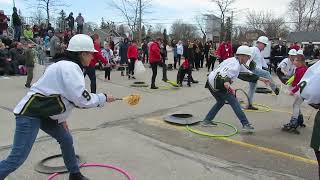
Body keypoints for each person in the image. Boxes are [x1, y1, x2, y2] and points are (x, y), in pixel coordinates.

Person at [0, 34, 116, 180]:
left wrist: (61, 119)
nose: (92, 57)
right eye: (91, 54)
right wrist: (102, 97)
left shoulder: (65, 65)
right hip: (30, 113)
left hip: (44, 113)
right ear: (82, 53)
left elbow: (60, 95)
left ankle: (75, 175)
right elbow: (81, 99)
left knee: (66, 139)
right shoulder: (70, 67)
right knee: (16, 159)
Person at [201, 46, 270, 132]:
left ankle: (207, 121)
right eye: (248, 57)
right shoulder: (235, 65)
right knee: (234, 102)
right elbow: (224, 74)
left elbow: (247, 74)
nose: (249, 59)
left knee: (221, 102)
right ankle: (246, 124)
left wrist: (262, 79)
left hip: (211, 82)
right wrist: (227, 84)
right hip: (218, 83)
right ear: (241, 56)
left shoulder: (234, 61)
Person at [247, 36, 280, 110]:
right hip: (253, 70)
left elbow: (262, 61)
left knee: (252, 88)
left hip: (255, 70)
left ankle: (249, 104)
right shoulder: (253, 50)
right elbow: (248, 60)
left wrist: (267, 67)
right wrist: (248, 72)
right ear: (260, 43)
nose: (265, 47)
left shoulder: (259, 52)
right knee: (266, 74)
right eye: (264, 45)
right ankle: (275, 88)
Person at [282, 55, 308, 132]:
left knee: (295, 105)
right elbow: (295, 79)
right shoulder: (299, 69)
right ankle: (300, 120)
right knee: (297, 105)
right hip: (299, 90)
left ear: (301, 62)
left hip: (301, 91)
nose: (294, 62)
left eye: (296, 60)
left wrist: (293, 91)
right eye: (294, 60)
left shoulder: (302, 70)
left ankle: (293, 123)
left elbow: (301, 83)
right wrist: (290, 84)